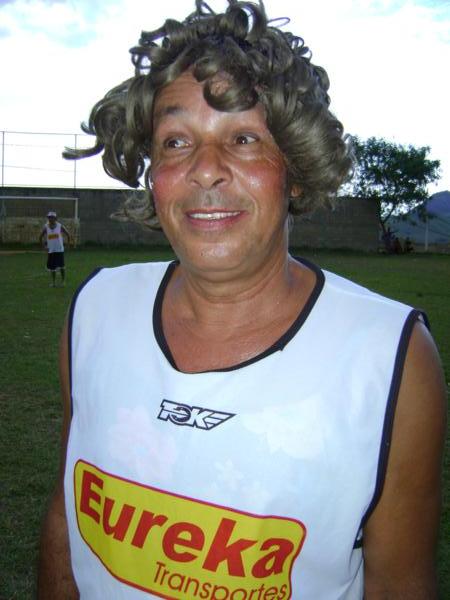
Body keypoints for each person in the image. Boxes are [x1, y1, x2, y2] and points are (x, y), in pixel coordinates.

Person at [38, 2, 447, 599]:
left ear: (295, 170)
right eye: (177, 141)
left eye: (244, 138)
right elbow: (65, 516)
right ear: (154, 175)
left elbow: (400, 585)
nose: (206, 170)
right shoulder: (95, 310)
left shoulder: (392, 359)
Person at [39, 211, 71, 287]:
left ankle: (63, 281)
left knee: (62, 266)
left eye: (52, 217)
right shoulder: (46, 227)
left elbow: (68, 234)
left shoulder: (60, 226)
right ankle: (53, 282)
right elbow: (40, 237)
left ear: (55, 218)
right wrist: (43, 246)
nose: (50, 219)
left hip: (59, 250)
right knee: (52, 267)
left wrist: (68, 245)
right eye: (49, 217)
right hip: (51, 250)